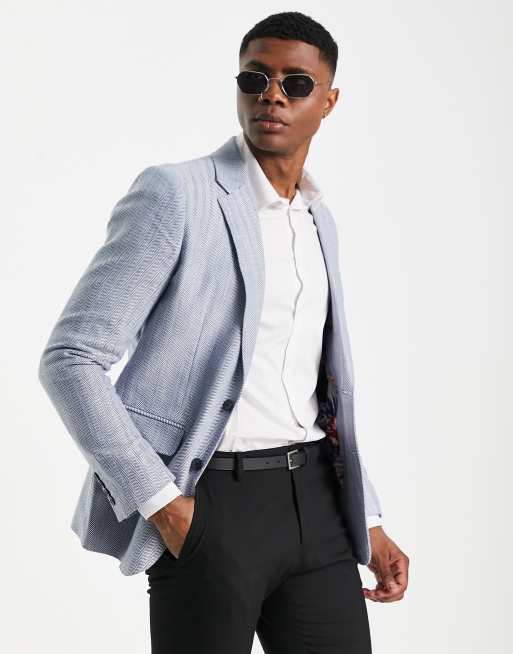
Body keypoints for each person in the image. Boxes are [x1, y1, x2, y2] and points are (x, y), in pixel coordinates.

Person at [38, 10, 409, 654]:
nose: (272, 95)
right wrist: (162, 503)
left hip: (317, 502)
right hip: (210, 506)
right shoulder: (177, 194)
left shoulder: (317, 220)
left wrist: (366, 515)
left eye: (296, 83)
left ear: (328, 101)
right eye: (255, 78)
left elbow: (316, 389)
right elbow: (70, 359)